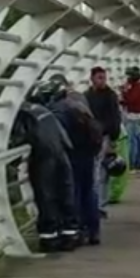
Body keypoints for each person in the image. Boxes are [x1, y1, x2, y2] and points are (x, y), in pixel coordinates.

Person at [13, 80, 81, 252]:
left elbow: (19, 138)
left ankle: (50, 237)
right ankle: (71, 234)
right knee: (65, 192)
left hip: (43, 155)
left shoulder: (21, 113)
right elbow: (63, 135)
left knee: (46, 196)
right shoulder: (43, 110)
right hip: (62, 153)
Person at [48, 74, 104, 245]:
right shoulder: (81, 100)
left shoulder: (59, 107)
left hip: (73, 153)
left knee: (74, 191)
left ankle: (78, 229)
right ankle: (94, 230)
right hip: (89, 151)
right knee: (90, 191)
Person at [85, 66, 121, 219]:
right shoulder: (86, 96)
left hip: (105, 136)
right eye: (100, 78)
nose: (102, 81)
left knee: (102, 171)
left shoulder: (110, 95)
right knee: (95, 171)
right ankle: (95, 204)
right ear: (92, 78)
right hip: (90, 137)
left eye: (104, 78)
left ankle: (100, 205)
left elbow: (115, 117)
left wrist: (114, 138)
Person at [120, 66, 140, 173]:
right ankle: (139, 164)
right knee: (138, 140)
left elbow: (131, 99)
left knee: (132, 141)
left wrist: (124, 92)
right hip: (139, 115)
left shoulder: (136, 87)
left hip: (133, 116)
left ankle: (132, 164)